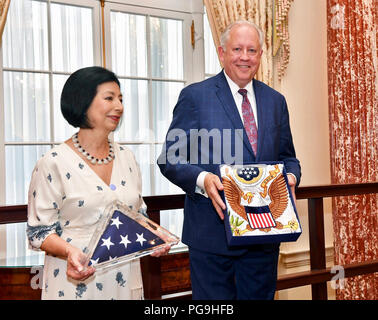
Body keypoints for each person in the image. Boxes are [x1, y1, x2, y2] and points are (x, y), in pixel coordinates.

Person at [157, 20, 301, 300]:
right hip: (212, 238)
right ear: (222, 53)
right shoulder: (195, 96)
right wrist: (203, 179)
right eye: (237, 49)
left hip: (264, 238)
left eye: (251, 50)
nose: (244, 57)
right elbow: (170, 158)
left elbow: (288, 158)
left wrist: (290, 178)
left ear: (260, 55)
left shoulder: (276, 101)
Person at [27, 66, 169, 300]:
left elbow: (137, 216)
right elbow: (39, 232)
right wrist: (70, 251)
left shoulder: (128, 158)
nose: (119, 107)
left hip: (124, 276)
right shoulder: (53, 163)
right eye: (109, 98)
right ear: (83, 102)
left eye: (121, 99)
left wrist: (155, 239)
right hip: (74, 278)